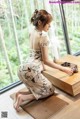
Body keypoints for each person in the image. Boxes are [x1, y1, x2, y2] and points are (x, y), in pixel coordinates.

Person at [13, 9, 73, 112]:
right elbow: (46, 60)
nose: (49, 26)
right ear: (40, 23)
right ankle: (23, 98)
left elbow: (36, 55)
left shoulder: (32, 32)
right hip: (31, 70)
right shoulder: (44, 36)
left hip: (22, 69)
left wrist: (43, 68)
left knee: (36, 89)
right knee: (49, 90)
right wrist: (64, 69)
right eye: (48, 24)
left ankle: (19, 94)